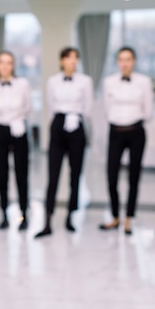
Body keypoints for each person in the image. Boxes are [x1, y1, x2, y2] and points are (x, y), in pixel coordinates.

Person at [35, 47, 93, 238]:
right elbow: (50, 106)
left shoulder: (85, 81)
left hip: (77, 125)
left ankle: (70, 216)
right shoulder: (53, 81)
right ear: (62, 61)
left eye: (76, 58)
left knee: (75, 174)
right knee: (53, 175)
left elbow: (88, 107)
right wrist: (61, 120)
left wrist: (75, 118)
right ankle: (47, 220)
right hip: (58, 125)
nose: (73, 61)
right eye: (69, 58)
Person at [99, 47, 153, 235]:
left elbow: (148, 110)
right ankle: (115, 216)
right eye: (121, 59)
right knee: (111, 175)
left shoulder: (144, 82)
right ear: (117, 62)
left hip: (136, 131)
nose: (125, 63)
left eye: (128, 59)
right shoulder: (108, 82)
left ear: (134, 61)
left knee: (134, 176)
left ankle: (129, 218)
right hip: (116, 131)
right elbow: (106, 108)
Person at [0, 51, 31, 230]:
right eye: (2, 62)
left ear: (13, 66)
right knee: (2, 173)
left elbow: (28, 106)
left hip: (19, 128)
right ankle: (4, 213)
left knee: (22, 173)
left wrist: (18, 120)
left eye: (9, 63)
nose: (5, 66)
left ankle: (24, 213)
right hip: (0, 129)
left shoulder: (23, 84)